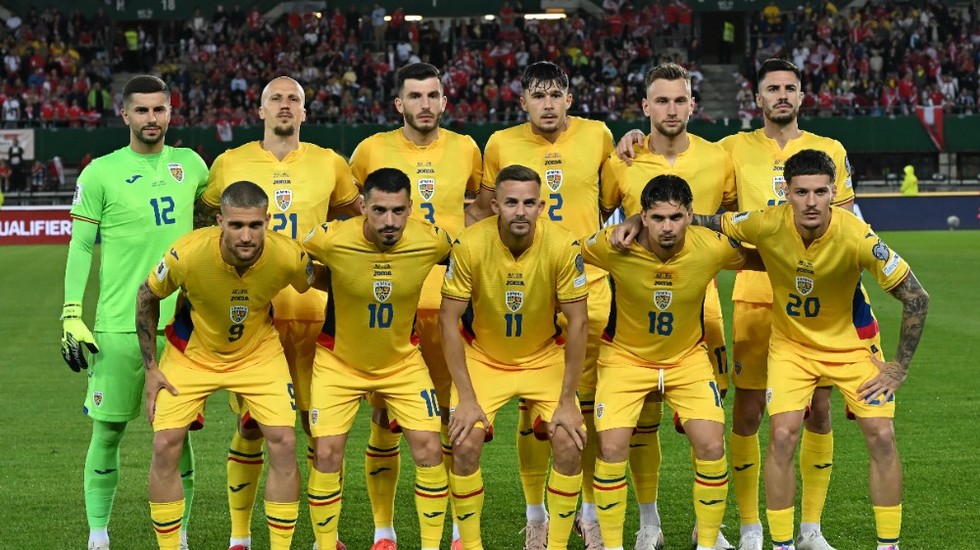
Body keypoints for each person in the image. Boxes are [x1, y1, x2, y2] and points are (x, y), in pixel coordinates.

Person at [698, 149, 928, 550]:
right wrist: (644, 221)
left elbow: (916, 297)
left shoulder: (857, 235)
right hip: (791, 348)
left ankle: (888, 546)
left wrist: (899, 367)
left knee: (881, 435)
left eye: (820, 192)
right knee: (783, 435)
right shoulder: (766, 222)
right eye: (801, 192)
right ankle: (784, 545)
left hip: (850, 347)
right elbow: (710, 221)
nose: (811, 201)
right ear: (786, 192)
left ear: (833, 193)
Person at [716, 59, 876, 550]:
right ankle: (750, 527)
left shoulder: (830, 149)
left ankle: (810, 529)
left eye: (790, 87)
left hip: (817, 306)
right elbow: (706, 198)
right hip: (756, 296)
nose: (782, 95)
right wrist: (635, 138)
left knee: (818, 412)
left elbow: (844, 226)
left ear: (802, 96)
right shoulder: (731, 149)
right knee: (747, 414)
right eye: (772, 89)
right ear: (757, 98)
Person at [201, 75, 360, 550]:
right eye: (276, 99)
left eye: (294, 99)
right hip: (253, 318)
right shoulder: (229, 162)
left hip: (316, 314)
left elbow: (357, 223)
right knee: (251, 426)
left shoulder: (330, 163)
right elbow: (206, 227)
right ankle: (240, 537)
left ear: (305, 112)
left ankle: (325, 538)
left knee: (320, 428)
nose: (285, 105)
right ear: (261, 110)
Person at [468, 60, 613, 550]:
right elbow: (485, 210)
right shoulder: (500, 144)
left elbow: (613, 200)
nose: (547, 104)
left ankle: (587, 514)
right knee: (532, 405)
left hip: (588, 284)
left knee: (580, 408)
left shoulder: (599, 136)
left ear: (569, 99)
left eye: (556, 95)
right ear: (523, 101)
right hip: (526, 290)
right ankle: (537, 517)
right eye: (538, 95)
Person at [60, 75, 208, 550]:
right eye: (141, 110)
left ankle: (179, 534)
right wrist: (71, 312)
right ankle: (98, 534)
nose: (151, 118)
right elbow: (81, 245)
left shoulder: (192, 165)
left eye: (159, 109)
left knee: (178, 436)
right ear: (124, 114)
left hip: (181, 327)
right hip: (120, 325)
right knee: (108, 432)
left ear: (170, 112)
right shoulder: (100, 173)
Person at [138, 181, 321, 550]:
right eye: (236, 225)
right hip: (192, 354)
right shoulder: (186, 254)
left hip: (258, 353)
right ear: (220, 221)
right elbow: (147, 294)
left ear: (267, 221)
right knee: (165, 443)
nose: (246, 236)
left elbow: (321, 279)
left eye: (254, 225)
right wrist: (151, 368)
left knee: (284, 442)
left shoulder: (288, 255)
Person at [347, 62, 484, 550]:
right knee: (384, 419)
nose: (425, 104)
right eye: (415, 96)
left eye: (433, 95)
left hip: (450, 303)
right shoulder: (371, 150)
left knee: (452, 418)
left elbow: (479, 206)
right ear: (398, 103)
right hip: (390, 306)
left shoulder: (466, 149)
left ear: (444, 101)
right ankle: (384, 531)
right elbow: (350, 210)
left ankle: (456, 531)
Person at [585, 175, 760, 550]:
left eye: (676, 217)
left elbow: (760, 258)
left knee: (711, 444)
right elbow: (562, 254)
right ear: (643, 217)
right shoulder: (614, 244)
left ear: (690, 215)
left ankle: (707, 543)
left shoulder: (711, 247)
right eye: (658, 218)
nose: (668, 227)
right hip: (625, 359)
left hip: (687, 360)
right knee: (611, 448)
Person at [606, 62, 737, 549]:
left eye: (680, 100)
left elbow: (734, 222)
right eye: (661, 100)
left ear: (692, 104)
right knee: (641, 420)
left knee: (707, 424)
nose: (671, 109)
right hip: (636, 310)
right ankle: (649, 522)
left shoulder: (717, 158)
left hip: (703, 309)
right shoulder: (623, 159)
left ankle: (709, 528)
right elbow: (600, 220)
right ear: (645, 106)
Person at [301, 168, 453, 550]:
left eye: (398, 211)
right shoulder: (330, 238)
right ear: (363, 207)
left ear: (410, 208)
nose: (389, 221)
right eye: (380, 210)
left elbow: (469, 260)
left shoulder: (431, 240)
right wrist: (334, 281)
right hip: (338, 363)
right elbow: (290, 261)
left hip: (402, 362)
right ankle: (325, 544)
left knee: (430, 448)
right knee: (326, 452)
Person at [441, 165, 589, 550]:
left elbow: (577, 322)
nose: (520, 211)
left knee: (570, 440)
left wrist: (567, 400)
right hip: (484, 358)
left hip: (543, 357)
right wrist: (466, 398)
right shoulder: (469, 244)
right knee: (464, 443)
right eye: (510, 203)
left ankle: (556, 545)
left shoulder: (563, 244)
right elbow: (448, 319)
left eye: (528, 203)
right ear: (495, 206)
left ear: (541, 206)